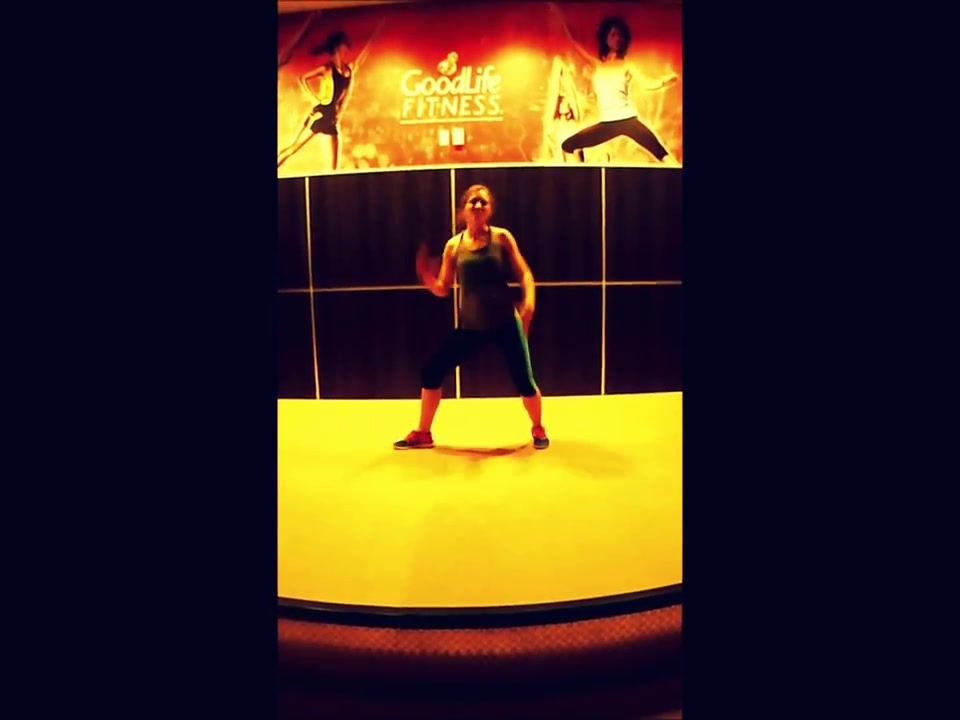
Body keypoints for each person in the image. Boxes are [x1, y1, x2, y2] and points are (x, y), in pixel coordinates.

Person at [394, 185, 549, 451]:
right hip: (471, 328)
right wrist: (427, 277)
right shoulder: (453, 246)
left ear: (490, 209)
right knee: (431, 372)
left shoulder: (501, 238)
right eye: (473, 201)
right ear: (463, 209)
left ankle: (537, 427)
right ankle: (423, 433)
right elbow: (443, 287)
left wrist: (529, 303)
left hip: (505, 324)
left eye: (483, 202)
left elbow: (524, 273)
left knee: (525, 381)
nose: (478, 206)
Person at [550, 6, 680, 165]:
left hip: (628, 120)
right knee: (569, 146)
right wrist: (560, 18)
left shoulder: (627, 65)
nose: (618, 38)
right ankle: (581, 175)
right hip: (608, 122)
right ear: (606, 38)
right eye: (613, 34)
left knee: (662, 154)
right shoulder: (598, 66)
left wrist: (665, 81)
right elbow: (576, 44)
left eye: (620, 35)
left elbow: (647, 84)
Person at [277, 30, 359, 170]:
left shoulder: (348, 71)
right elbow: (303, 79)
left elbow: (346, 95)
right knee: (293, 148)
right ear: (337, 48)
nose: (346, 50)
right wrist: (313, 98)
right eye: (343, 47)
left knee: (333, 167)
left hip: (331, 119)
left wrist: (339, 113)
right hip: (319, 115)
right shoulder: (327, 69)